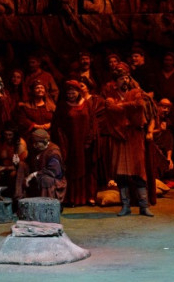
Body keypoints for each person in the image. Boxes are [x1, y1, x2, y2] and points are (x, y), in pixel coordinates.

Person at [105, 63, 156, 217]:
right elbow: (111, 108)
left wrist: (122, 105)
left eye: (126, 77)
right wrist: (127, 107)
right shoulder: (111, 94)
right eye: (121, 78)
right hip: (120, 136)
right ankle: (125, 205)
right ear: (116, 81)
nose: (125, 80)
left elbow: (139, 105)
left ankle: (143, 206)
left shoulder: (135, 92)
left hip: (135, 137)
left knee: (138, 172)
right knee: (121, 174)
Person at [51, 80, 97, 206]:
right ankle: (72, 198)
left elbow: (92, 122)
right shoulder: (62, 106)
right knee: (72, 169)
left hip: (85, 143)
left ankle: (87, 197)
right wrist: (63, 142)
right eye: (68, 93)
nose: (71, 95)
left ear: (79, 92)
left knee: (87, 168)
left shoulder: (86, 104)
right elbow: (57, 126)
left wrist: (90, 139)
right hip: (70, 143)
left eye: (73, 92)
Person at [18, 129, 67, 201]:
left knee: (45, 179)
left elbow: (54, 172)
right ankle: (19, 198)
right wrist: (17, 163)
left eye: (36, 143)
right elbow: (28, 163)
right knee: (21, 165)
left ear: (44, 141)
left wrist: (35, 174)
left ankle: (45, 203)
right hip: (37, 174)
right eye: (33, 143)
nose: (34, 145)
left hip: (52, 178)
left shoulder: (53, 152)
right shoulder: (35, 148)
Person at [0, 122, 27, 189]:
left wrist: (4, 168)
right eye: (5, 134)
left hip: (16, 169)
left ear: (15, 135)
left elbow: (20, 166)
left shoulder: (20, 145)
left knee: (13, 174)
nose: (7, 137)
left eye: (10, 135)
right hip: (2, 167)